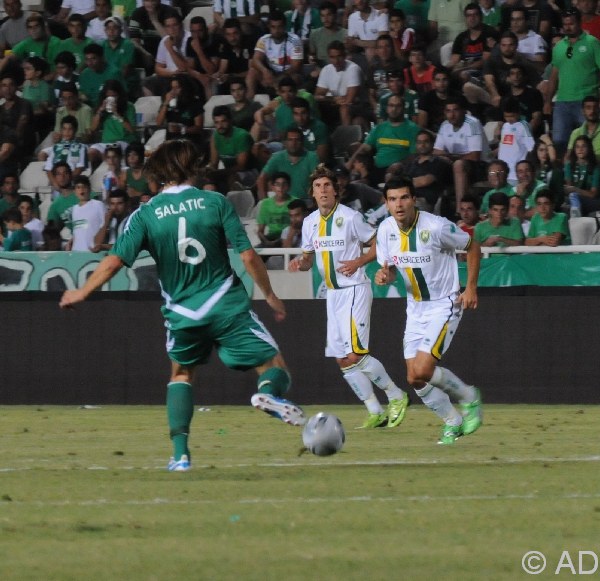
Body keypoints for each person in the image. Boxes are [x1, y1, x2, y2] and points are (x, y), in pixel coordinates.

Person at [59, 139, 306, 473]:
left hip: (183, 312)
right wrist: (270, 294)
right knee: (273, 364)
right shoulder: (214, 202)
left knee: (181, 373)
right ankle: (270, 395)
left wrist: (83, 291)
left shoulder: (144, 214)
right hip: (225, 304)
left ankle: (181, 455)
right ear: (194, 167)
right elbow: (247, 255)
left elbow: (115, 261)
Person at [289, 166, 409, 429]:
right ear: (313, 192)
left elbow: (378, 244)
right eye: (318, 186)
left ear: (336, 191)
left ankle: (396, 395)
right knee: (342, 358)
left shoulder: (351, 217)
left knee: (355, 354)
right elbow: (309, 259)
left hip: (354, 289)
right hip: (332, 295)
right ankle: (375, 410)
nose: (322, 190)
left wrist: (359, 261)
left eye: (327, 186)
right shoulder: (310, 223)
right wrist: (301, 262)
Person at [374, 176, 482, 445]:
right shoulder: (385, 230)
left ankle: (469, 397)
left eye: (403, 198)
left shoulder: (436, 227)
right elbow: (391, 268)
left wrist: (470, 288)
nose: (398, 204)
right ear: (386, 204)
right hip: (415, 310)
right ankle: (452, 421)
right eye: (392, 199)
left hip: (444, 305)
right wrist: (385, 276)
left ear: (413, 200)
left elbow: (472, 246)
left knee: (422, 369)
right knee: (415, 378)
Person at [549, 8, 600, 156]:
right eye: (565, 24)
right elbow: (554, 74)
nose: (568, 27)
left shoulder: (593, 43)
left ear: (579, 23)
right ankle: (566, 172)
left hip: (587, 100)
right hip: (562, 101)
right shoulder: (558, 47)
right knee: (559, 140)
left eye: (571, 23)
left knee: (589, 141)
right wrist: (547, 101)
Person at [65, 175, 105, 251]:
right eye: (78, 187)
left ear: (89, 189)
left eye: (84, 187)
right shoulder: (74, 209)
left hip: (93, 251)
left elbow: (105, 227)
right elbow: (79, 230)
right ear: (74, 191)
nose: (81, 190)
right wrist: (71, 241)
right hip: (76, 252)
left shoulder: (98, 205)